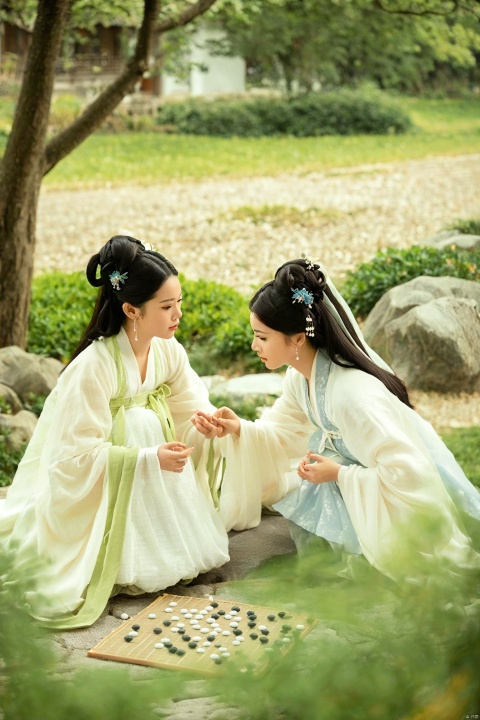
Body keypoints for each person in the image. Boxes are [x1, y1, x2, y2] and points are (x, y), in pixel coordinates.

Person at [192, 255, 480, 578]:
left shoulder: (351, 395)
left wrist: (341, 474)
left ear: (298, 338)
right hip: (359, 475)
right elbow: (281, 433)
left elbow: (409, 473)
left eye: (261, 337)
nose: (253, 345)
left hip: (406, 502)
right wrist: (238, 428)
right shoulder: (300, 378)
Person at [0, 235, 229, 628]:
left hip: (156, 469)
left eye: (180, 304)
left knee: (147, 421)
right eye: (167, 306)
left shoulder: (168, 349)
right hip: (124, 468)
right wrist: (148, 457)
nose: (178, 315)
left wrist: (205, 420)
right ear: (131, 309)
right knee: (139, 425)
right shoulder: (93, 366)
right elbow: (74, 456)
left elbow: (189, 399)